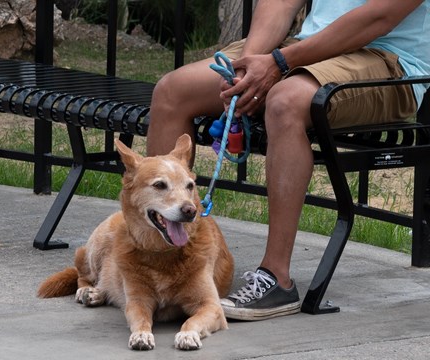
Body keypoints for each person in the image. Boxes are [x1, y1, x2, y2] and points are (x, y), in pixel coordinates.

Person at [146, 0, 430, 321]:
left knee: (285, 101)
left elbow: (379, 16)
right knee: (173, 91)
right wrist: (246, 67)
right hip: (303, 49)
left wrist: (279, 63)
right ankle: (159, 264)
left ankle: (276, 279)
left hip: (388, 60)